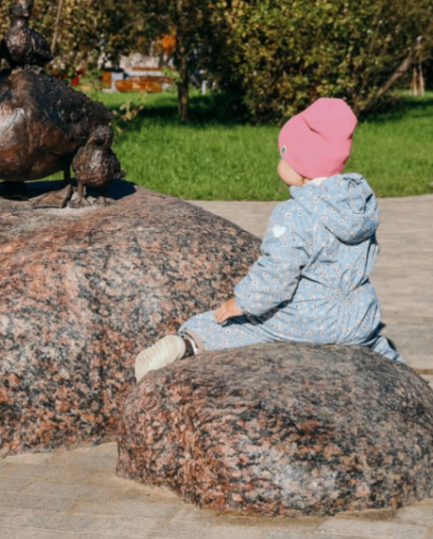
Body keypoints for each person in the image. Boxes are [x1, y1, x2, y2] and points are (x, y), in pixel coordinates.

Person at [134, 98, 403, 383]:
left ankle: (187, 345)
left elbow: (277, 274)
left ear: (300, 165)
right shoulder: (358, 204)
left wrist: (242, 302)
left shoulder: (295, 214)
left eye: (283, 156)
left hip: (307, 321)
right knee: (377, 343)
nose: (280, 161)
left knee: (235, 325)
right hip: (358, 319)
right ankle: (398, 372)